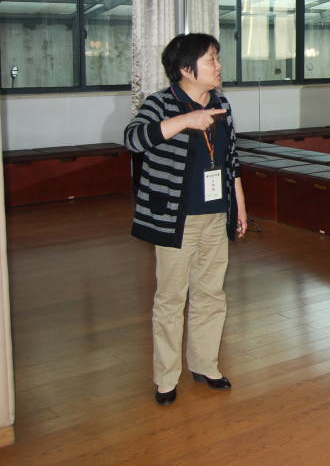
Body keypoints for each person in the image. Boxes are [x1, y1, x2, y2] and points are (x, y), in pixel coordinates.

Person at [124, 33, 248, 407]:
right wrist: (185, 120)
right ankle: (166, 378)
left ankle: (205, 365)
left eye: (218, 58)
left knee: (211, 294)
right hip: (175, 218)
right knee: (171, 299)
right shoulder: (160, 103)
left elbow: (231, 160)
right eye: (211, 59)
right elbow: (133, 139)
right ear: (186, 69)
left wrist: (239, 207)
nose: (219, 66)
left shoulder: (222, 103)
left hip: (215, 214)